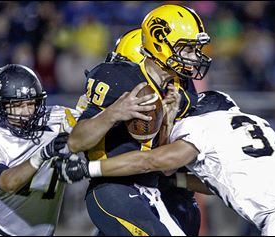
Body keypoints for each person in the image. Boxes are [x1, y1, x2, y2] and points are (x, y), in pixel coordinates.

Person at [58, 90, 275, 236]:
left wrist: (90, 168)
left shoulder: (203, 124)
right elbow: (219, 185)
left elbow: (155, 161)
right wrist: (175, 180)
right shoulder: (258, 124)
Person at [66, 4, 211, 236]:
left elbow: (166, 164)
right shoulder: (121, 78)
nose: (195, 57)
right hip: (114, 188)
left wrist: (167, 122)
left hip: (155, 188)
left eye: (196, 49)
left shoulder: (180, 86)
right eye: (187, 49)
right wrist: (114, 113)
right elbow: (76, 142)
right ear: (160, 42)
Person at [0, 64, 79, 236]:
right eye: (16, 105)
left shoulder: (56, 118)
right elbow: (8, 182)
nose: (25, 112)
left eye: (31, 103)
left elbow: (94, 124)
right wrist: (43, 154)